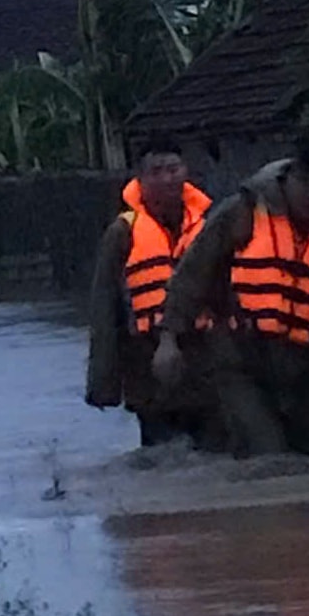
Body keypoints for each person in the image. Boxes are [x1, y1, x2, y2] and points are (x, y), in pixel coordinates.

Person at [152, 124, 309, 457]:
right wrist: (169, 340)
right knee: (269, 455)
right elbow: (191, 276)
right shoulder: (242, 212)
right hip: (241, 358)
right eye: (306, 183)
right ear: (292, 175)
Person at [85, 144, 216, 447]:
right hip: (146, 367)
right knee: (163, 456)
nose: (168, 179)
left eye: (174, 169)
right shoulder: (121, 233)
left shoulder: (209, 227)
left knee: (212, 453)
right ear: (140, 179)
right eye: (157, 172)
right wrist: (103, 382)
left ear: (186, 173)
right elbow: (104, 308)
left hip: (206, 363)